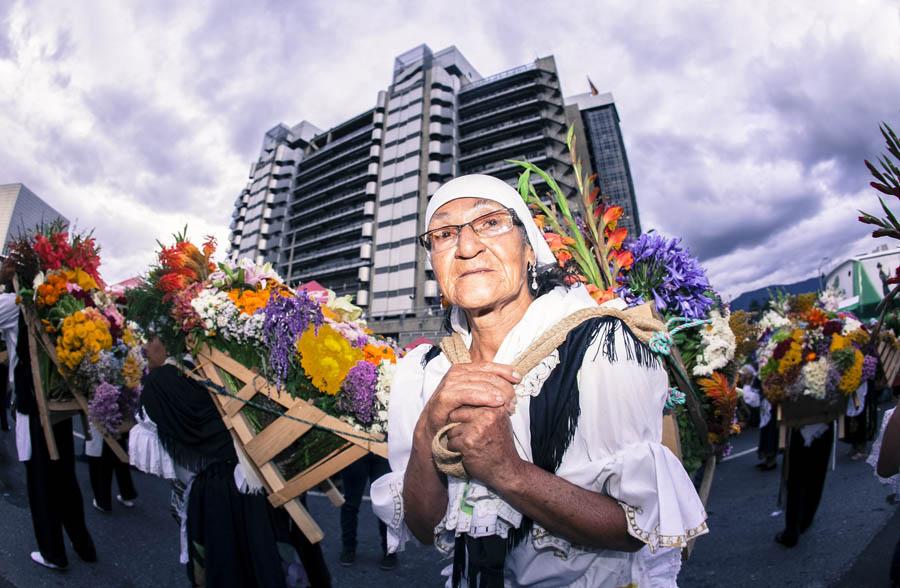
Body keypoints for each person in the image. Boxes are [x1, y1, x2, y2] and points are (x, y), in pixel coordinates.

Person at [370, 174, 707, 587]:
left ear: (529, 249)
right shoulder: (423, 372)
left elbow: (632, 529)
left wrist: (507, 471)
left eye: (490, 222)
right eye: (443, 234)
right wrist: (427, 430)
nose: (466, 247)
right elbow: (425, 529)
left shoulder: (602, 346)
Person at [129, 335, 332, 587]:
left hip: (219, 494)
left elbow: (164, 457)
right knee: (276, 560)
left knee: (229, 569)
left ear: (173, 337)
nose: (145, 347)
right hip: (272, 478)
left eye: (151, 338)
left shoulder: (163, 383)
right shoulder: (245, 360)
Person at [0, 283, 96, 570]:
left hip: (36, 401)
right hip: (60, 401)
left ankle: (53, 553)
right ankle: (83, 545)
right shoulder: (60, 295)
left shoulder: (14, 301)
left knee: (41, 480)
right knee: (65, 477)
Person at [775, 423, 834, 548]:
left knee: (797, 479)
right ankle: (805, 520)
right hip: (823, 422)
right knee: (816, 476)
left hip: (801, 423)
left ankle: (793, 529)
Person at [338, 453, 395, 569]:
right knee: (350, 504)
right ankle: (348, 548)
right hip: (354, 449)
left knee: (385, 505)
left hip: (383, 450)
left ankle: (390, 550)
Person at [86, 430, 138, 512]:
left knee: (101, 458)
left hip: (98, 423)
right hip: (116, 422)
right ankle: (127, 494)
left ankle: (103, 501)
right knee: (119, 453)